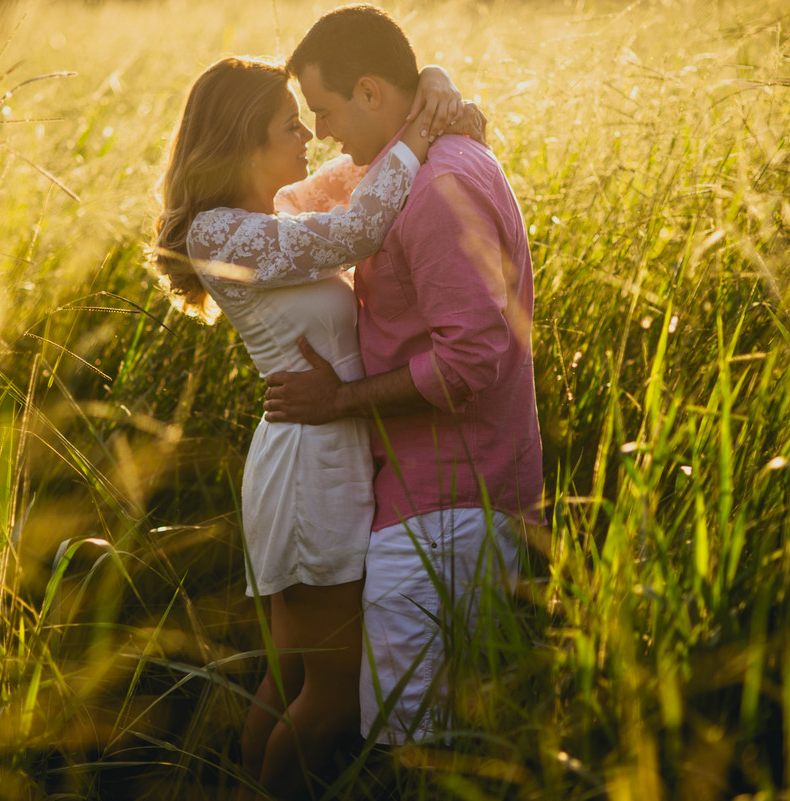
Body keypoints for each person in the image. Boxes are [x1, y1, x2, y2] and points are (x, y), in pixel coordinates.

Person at [151, 56, 482, 799]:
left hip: (316, 451)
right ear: (241, 141)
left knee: (293, 675)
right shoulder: (222, 235)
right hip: (310, 468)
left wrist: (431, 84)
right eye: (287, 126)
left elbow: (362, 175)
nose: (308, 136)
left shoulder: (267, 217)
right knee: (330, 697)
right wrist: (425, 123)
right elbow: (363, 226)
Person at [263, 4, 544, 746]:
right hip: (434, 496)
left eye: (323, 111)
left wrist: (339, 401)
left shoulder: (437, 192)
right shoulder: (392, 172)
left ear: (370, 92)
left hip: (450, 507)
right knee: (464, 733)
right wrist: (436, 85)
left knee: (410, 741)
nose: (320, 131)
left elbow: (469, 361)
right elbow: (286, 206)